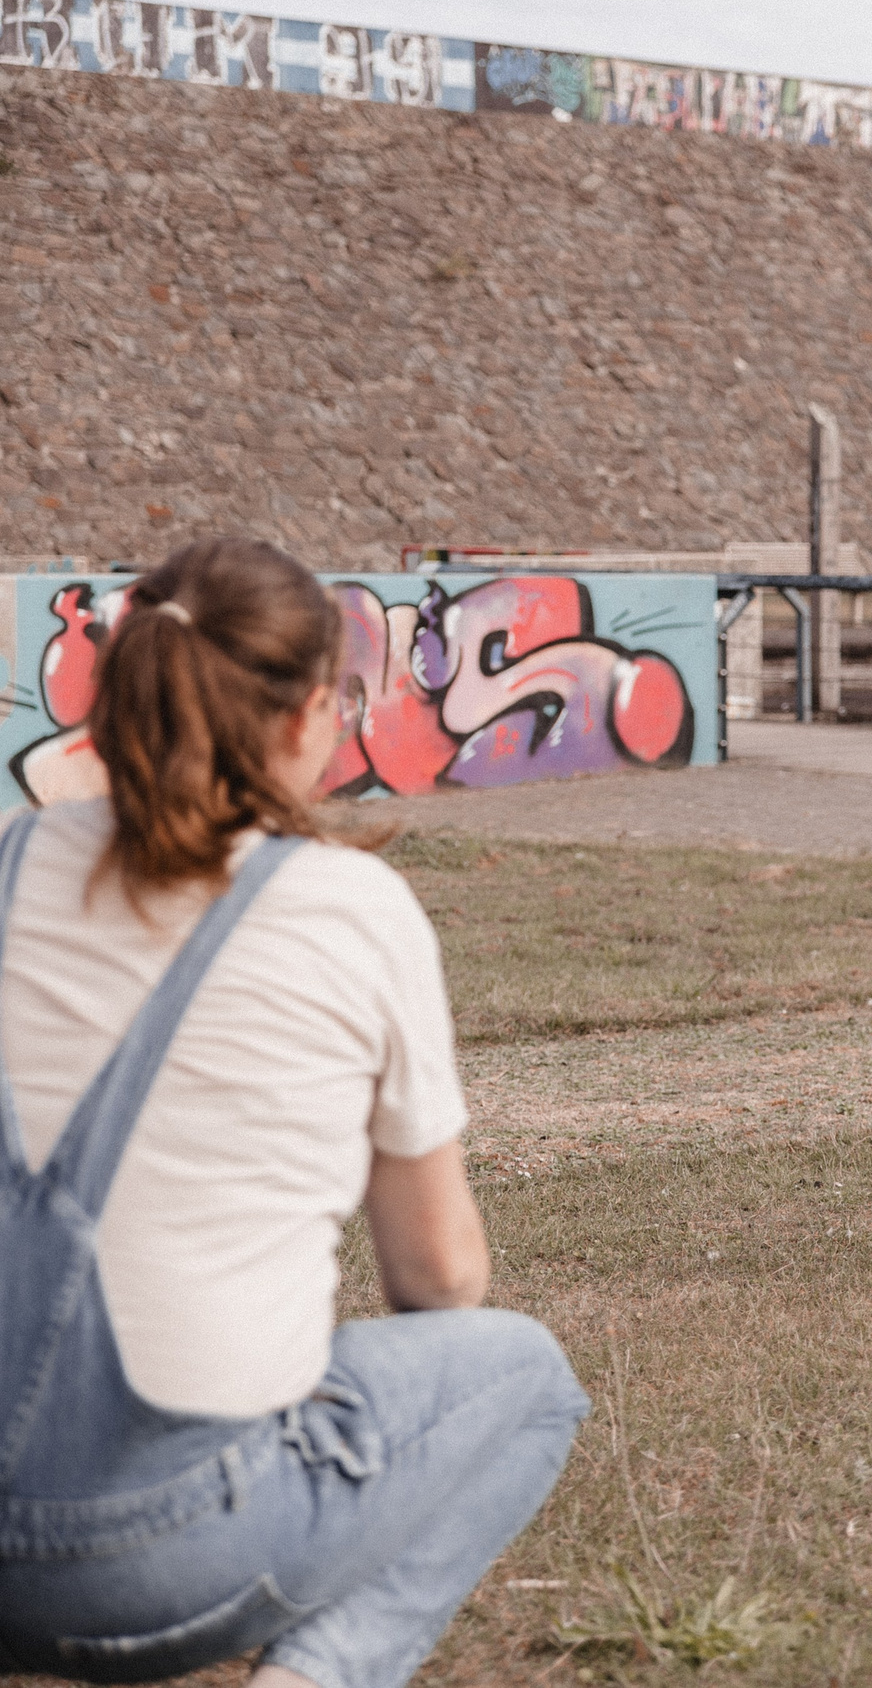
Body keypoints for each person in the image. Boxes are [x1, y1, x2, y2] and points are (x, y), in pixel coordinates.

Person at [0, 539, 589, 1688]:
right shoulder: (350, 912)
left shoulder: (10, 862)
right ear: (311, 714)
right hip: (171, 1555)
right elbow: (438, 1282)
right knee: (524, 1379)